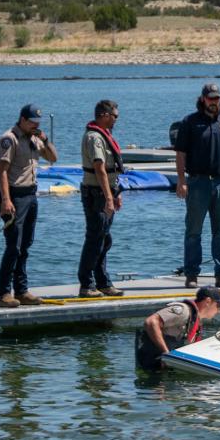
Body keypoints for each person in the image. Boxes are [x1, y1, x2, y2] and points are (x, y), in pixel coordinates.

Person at [173, 82, 220, 289]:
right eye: (211, 98)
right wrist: (181, 180)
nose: (214, 102)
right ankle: (192, 274)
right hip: (197, 182)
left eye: (217, 98)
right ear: (203, 99)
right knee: (194, 230)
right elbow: (180, 153)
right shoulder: (190, 122)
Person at [0, 103, 58, 308]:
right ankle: (3, 293)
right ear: (22, 119)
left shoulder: (34, 138)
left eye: (37, 122)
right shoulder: (9, 139)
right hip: (13, 194)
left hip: (31, 194)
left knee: (26, 244)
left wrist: (45, 140)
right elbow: (2, 171)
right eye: (31, 122)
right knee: (14, 245)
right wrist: (5, 200)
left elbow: (53, 158)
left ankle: (21, 290)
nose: (35, 125)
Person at [78, 99, 124, 297]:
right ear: (104, 115)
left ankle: (103, 282)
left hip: (107, 191)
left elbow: (113, 171)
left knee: (104, 239)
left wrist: (117, 193)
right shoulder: (94, 137)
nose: (116, 120)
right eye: (115, 116)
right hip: (96, 194)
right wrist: (108, 198)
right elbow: (100, 169)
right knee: (95, 239)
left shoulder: (106, 135)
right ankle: (86, 283)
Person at [135, 285, 220, 370]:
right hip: (151, 365)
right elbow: (151, 322)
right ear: (208, 301)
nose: (219, 311)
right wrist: (166, 353)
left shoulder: (195, 320)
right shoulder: (183, 312)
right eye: (218, 306)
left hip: (164, 368)